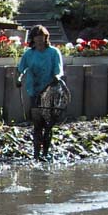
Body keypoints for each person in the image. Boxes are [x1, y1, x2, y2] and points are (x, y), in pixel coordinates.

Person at [17, 25, 64, 160]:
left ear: (46, 38)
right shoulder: (29, 54)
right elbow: (21, 69)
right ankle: (36, 153)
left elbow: (59, 70)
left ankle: (46, 153)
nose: (39, 40)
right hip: (35, 92)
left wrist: (57, 77)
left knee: (48, 125)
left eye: (41, 37)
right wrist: (18, 79)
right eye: (36, 37)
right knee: (37, 124)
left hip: (50, 92)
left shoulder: (53, 52)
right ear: (33, 39)